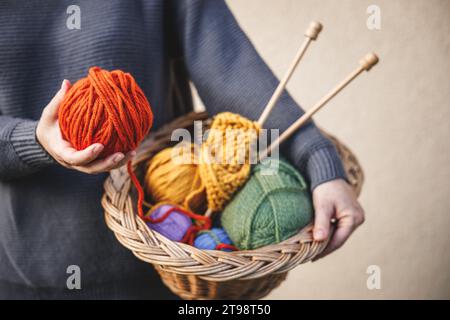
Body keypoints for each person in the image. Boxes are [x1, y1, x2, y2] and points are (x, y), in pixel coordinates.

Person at [0, 0, 364, 299]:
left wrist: (318, 160)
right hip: (17, 274)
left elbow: (231, 69)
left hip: (165, 261)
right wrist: (33, 140)